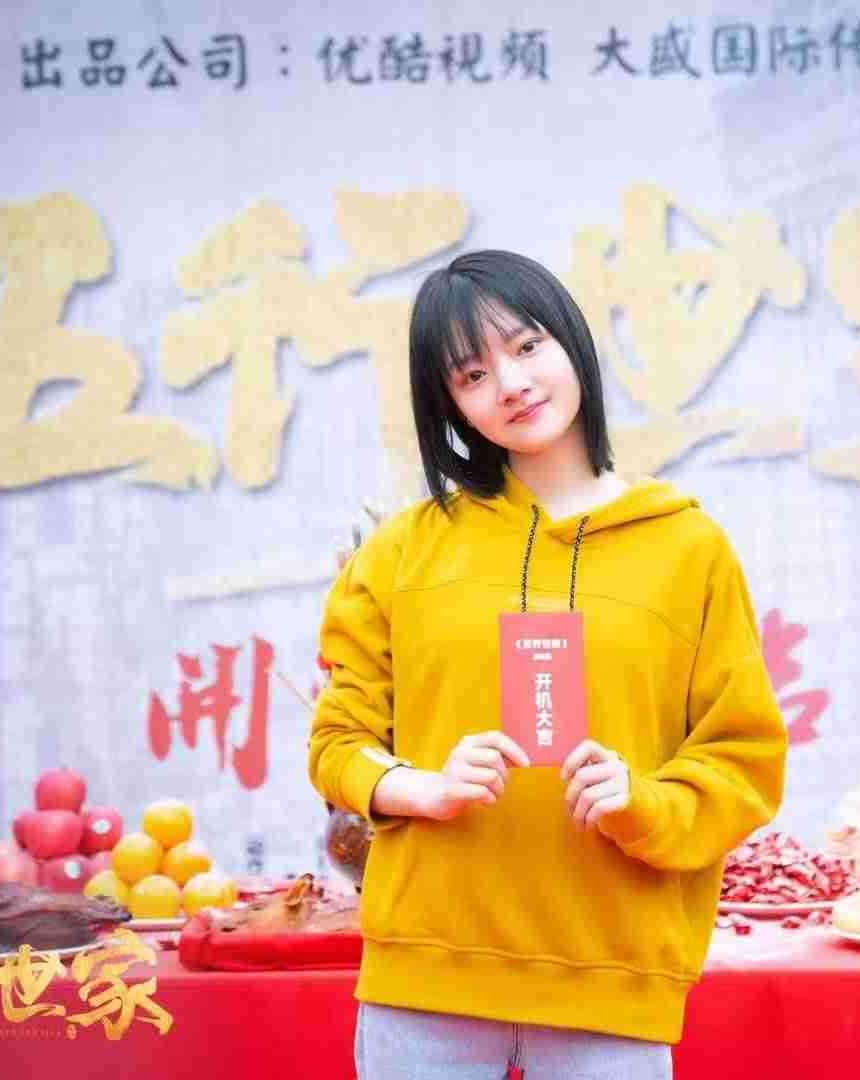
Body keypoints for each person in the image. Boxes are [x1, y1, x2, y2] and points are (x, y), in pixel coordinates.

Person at [308, 249, 788, 1079]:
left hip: (613, 987)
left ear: (571, 343)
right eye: (472, 374)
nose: (511, 383)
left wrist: (641, 801)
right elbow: (337, 742)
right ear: (449, 404)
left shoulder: (688, 548)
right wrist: (422, 787)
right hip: (425, 986)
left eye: (527, 346)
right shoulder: (401, 552)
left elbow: (742, 760)